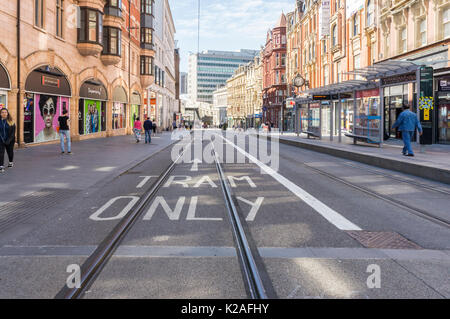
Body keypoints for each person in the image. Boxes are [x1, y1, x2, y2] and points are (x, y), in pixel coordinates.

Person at [0, 108, 15, 173]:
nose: (4, 113)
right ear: (0, 114)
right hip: (1, 140)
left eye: (5, 112)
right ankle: (1, 166)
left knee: (10, 152)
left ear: (7, 113)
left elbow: (13, 133)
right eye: (2, 112)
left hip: (10, 140)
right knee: (1, 153)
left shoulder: (11, 122)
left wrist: (8, 140)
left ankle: (10, 162)